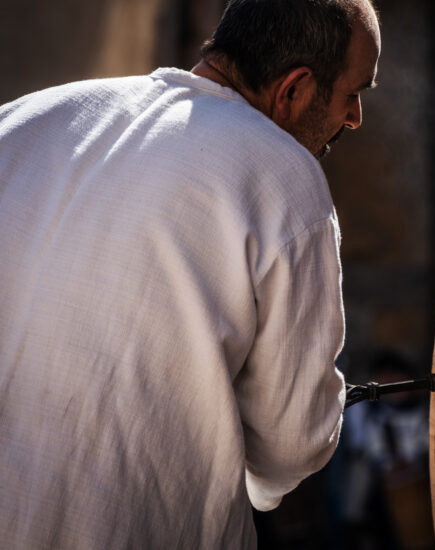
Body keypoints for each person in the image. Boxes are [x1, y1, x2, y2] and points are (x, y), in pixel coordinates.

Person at [0, 0, 380, 547]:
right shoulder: (284, 175)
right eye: (354, 94)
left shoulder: (25, 117)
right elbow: (288, 449)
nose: (355, 119)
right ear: (294, 90)